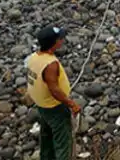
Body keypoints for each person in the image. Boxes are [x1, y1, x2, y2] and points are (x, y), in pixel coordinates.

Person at [27, 26, 80, 160]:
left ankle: (46, 157)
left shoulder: (34, 57)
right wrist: (72, 104)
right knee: (63, 140)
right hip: (55, 107)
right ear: (54, 43)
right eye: (60, 39)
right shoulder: (51, 64)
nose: (62, 40)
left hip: (41, 105)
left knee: (46, 135)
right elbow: (55, 90)